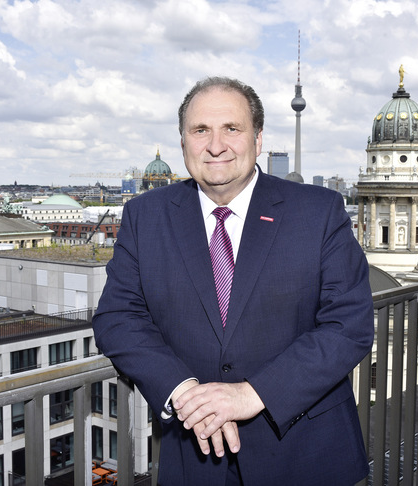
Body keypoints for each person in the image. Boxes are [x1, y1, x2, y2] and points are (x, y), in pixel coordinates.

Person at [93, 76, 374, 485]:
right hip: (195, 456)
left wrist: (250, 394)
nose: (216, 145)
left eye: (232, 128)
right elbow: (118, 317)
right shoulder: (145, 216)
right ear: (183, 142)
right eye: (200, 130)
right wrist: (184, 392)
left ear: (258, 139)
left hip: (304, 455)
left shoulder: (318, 211)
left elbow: (348, 326)